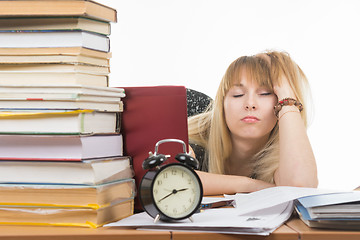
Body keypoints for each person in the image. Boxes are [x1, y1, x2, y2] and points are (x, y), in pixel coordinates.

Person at [188, 50, 318, 195]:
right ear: (222, 104)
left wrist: (287, 95)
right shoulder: (193, 130)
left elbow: (300, 188)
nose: (250, 104)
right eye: (238, 94)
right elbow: (168, 179)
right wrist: (249, 185)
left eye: (265, 93)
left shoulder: (286, 155)